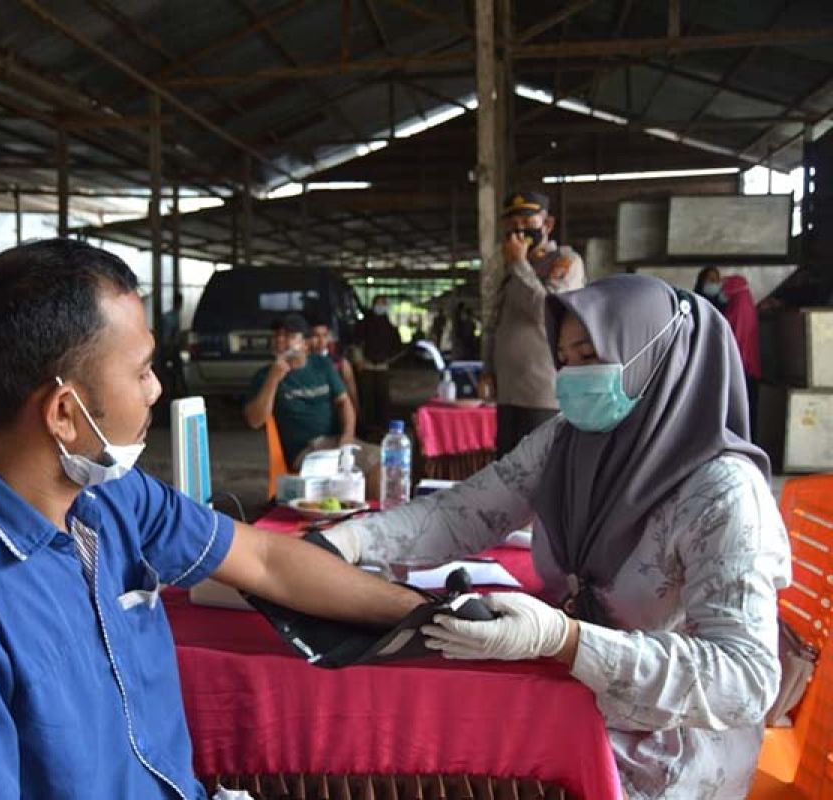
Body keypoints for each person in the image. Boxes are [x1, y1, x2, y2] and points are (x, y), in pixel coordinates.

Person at [0, 239, 424, 799]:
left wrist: (426, 613)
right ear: (64, 412)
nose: (156, 390)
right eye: (141, 371)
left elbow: (266, 560)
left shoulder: (112, 498)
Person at [325, 274, 788, 799]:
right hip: (570, 699)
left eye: (591, 355)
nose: (572, 377)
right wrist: (353, 541)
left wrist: (565, 640)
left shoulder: (723, 492)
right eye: (566, 359)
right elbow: (466, 511)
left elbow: (744, 679)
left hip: (666, 751)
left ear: (657, 355)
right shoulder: (567, 442)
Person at [482, 190, 586, 457]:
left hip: (542, 394)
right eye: (512, 226)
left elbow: (547, 312)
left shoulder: (565, 262)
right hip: (507, 390)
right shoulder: (509, 268)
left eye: (527, 224)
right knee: (507, 471)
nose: (519, 233)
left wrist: (519, 264)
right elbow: (494, 322)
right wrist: (487, 369)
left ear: (547, 225)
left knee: (538, 469)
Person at [244, 313, 380, 488]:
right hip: (306, 451)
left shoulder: (322, 365)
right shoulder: (264, 376)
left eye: (289, 336)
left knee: (382, 464)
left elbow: (344, 402)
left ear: (305, 344)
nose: (280, 340)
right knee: (339, 480)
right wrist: (273, 378)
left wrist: (347, 435)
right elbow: (255, 421)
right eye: (277, 335)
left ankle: (371, 514)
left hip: (337, 441)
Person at [352, 296, 403, 434]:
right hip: (366, 366)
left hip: (382, 368)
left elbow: (398, 348)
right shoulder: (363, 324)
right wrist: (359, 361)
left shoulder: (390, 328)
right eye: (378, 304)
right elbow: (356, 344)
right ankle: (365, 427)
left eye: (383, 304)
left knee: (382, 398)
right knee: (366, 398)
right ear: (373, 305)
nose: (380, 307)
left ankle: (382, 427)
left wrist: (389, 361)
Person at [721, 275, 760, 439]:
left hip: (741, 366)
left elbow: (734, 338)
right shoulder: (744, 304)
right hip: (748, 366)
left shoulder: (738, 308)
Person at [307, 315, 359, 415]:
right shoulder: (301, 363)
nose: (321, 341)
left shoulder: (340, 364)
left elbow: (352, 395)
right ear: (307, 339)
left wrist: (355, 417)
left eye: (325, 335)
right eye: (316, 336)